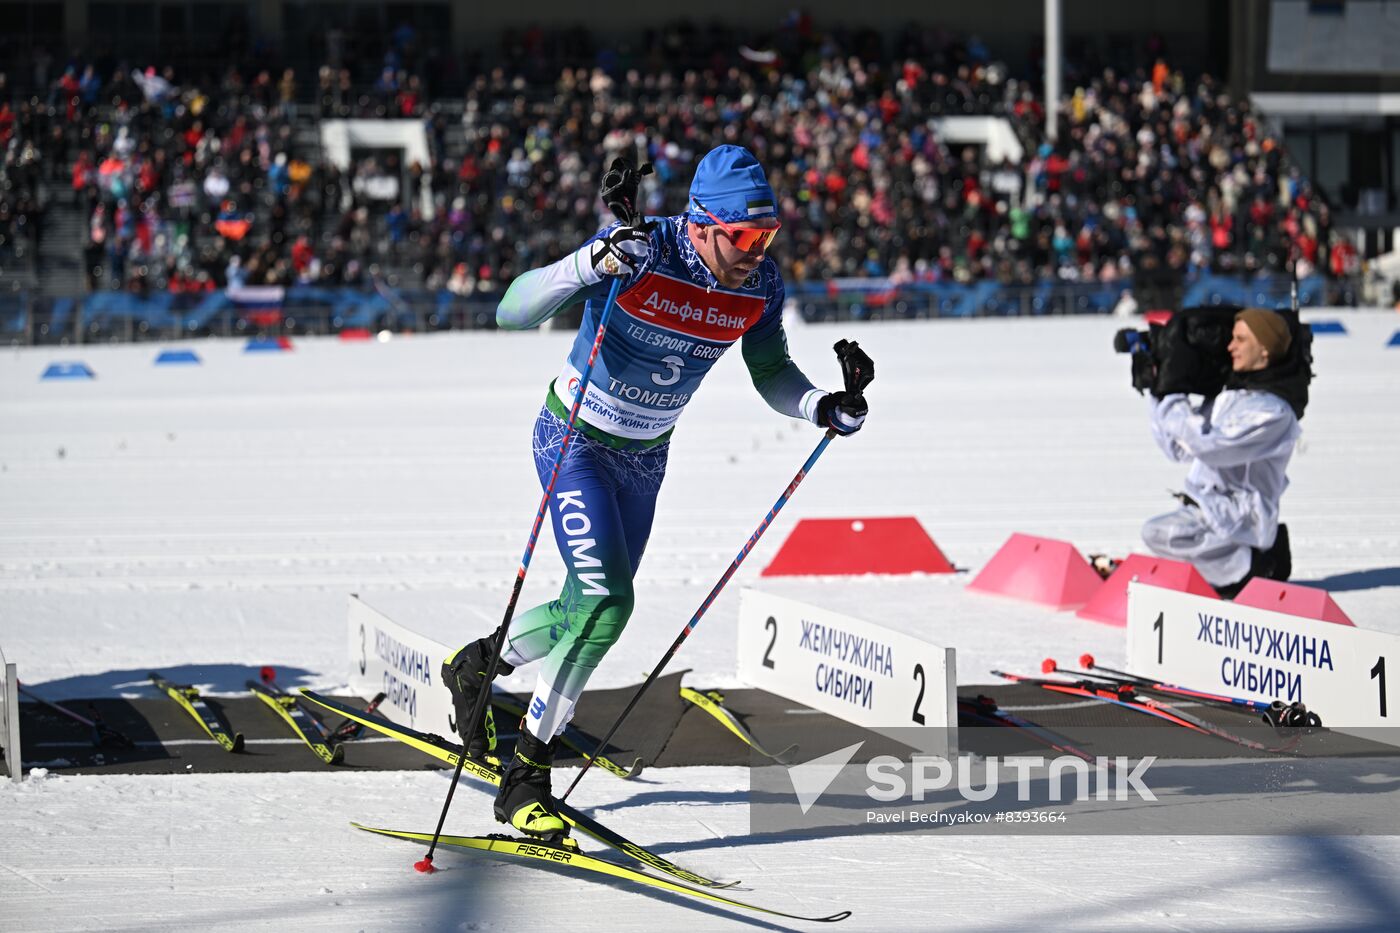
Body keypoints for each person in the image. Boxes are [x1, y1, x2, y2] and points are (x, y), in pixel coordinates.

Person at [442, 145, 870, 839]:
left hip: (645, 458)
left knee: (587, 605)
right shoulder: (642, 251)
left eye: (769, 236)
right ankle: (526, 773)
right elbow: (511, 310)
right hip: (575, 438)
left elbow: (771, 369)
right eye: (745, 236)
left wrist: (821, 405)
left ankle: (478, 664)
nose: (758, 250)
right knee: (611, 601)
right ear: (700, 224)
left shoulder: (757, 285)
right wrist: (589, 263)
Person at [1140, 308, 1303, 598]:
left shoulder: (1274, 413)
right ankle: (1210, 575)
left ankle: (1252, 567)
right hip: (1209, 514)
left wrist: (1172, 390)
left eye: (1240, 339)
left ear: (1264, 349)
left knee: (1158, 534)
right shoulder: (1231, 397)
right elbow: (1179, 448)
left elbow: (1210, 447)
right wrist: (1157, 389)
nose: (1230, 347)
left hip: (1240, 522)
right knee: (1156, 534)